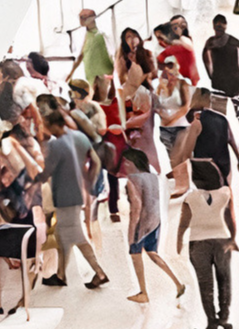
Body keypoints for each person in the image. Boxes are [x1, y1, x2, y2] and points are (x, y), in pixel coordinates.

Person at [41, 110, 110, 290]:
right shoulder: (80, 136)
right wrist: (89, 183)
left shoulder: (56, 145)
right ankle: (61, 275)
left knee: (75, 236)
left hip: (64, 195)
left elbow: (46, 171)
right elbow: (96, 161)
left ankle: (99, 272)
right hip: (77, 191)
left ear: (53, 125)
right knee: (63, 235)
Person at [174, 158, 237, 329]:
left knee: (205, 284)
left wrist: (179, 242)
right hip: (221, 240)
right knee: (225, 281)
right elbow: (230, 219)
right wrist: (233, 238)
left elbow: (183, 224)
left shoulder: (190, 197)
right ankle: (224, 318)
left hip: (197, 243)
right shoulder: (224, 193)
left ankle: (211, 321)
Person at [118, 147, 184, 304]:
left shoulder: (132, 179)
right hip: (155, 219)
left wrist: (132, 230)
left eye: (125, 162)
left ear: (131, 162)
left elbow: (136, 206)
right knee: (152, 253)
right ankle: (177, 283)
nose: (123, 165)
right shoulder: (153, 177)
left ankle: (143, 292)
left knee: (135, 256)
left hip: (141, 221)